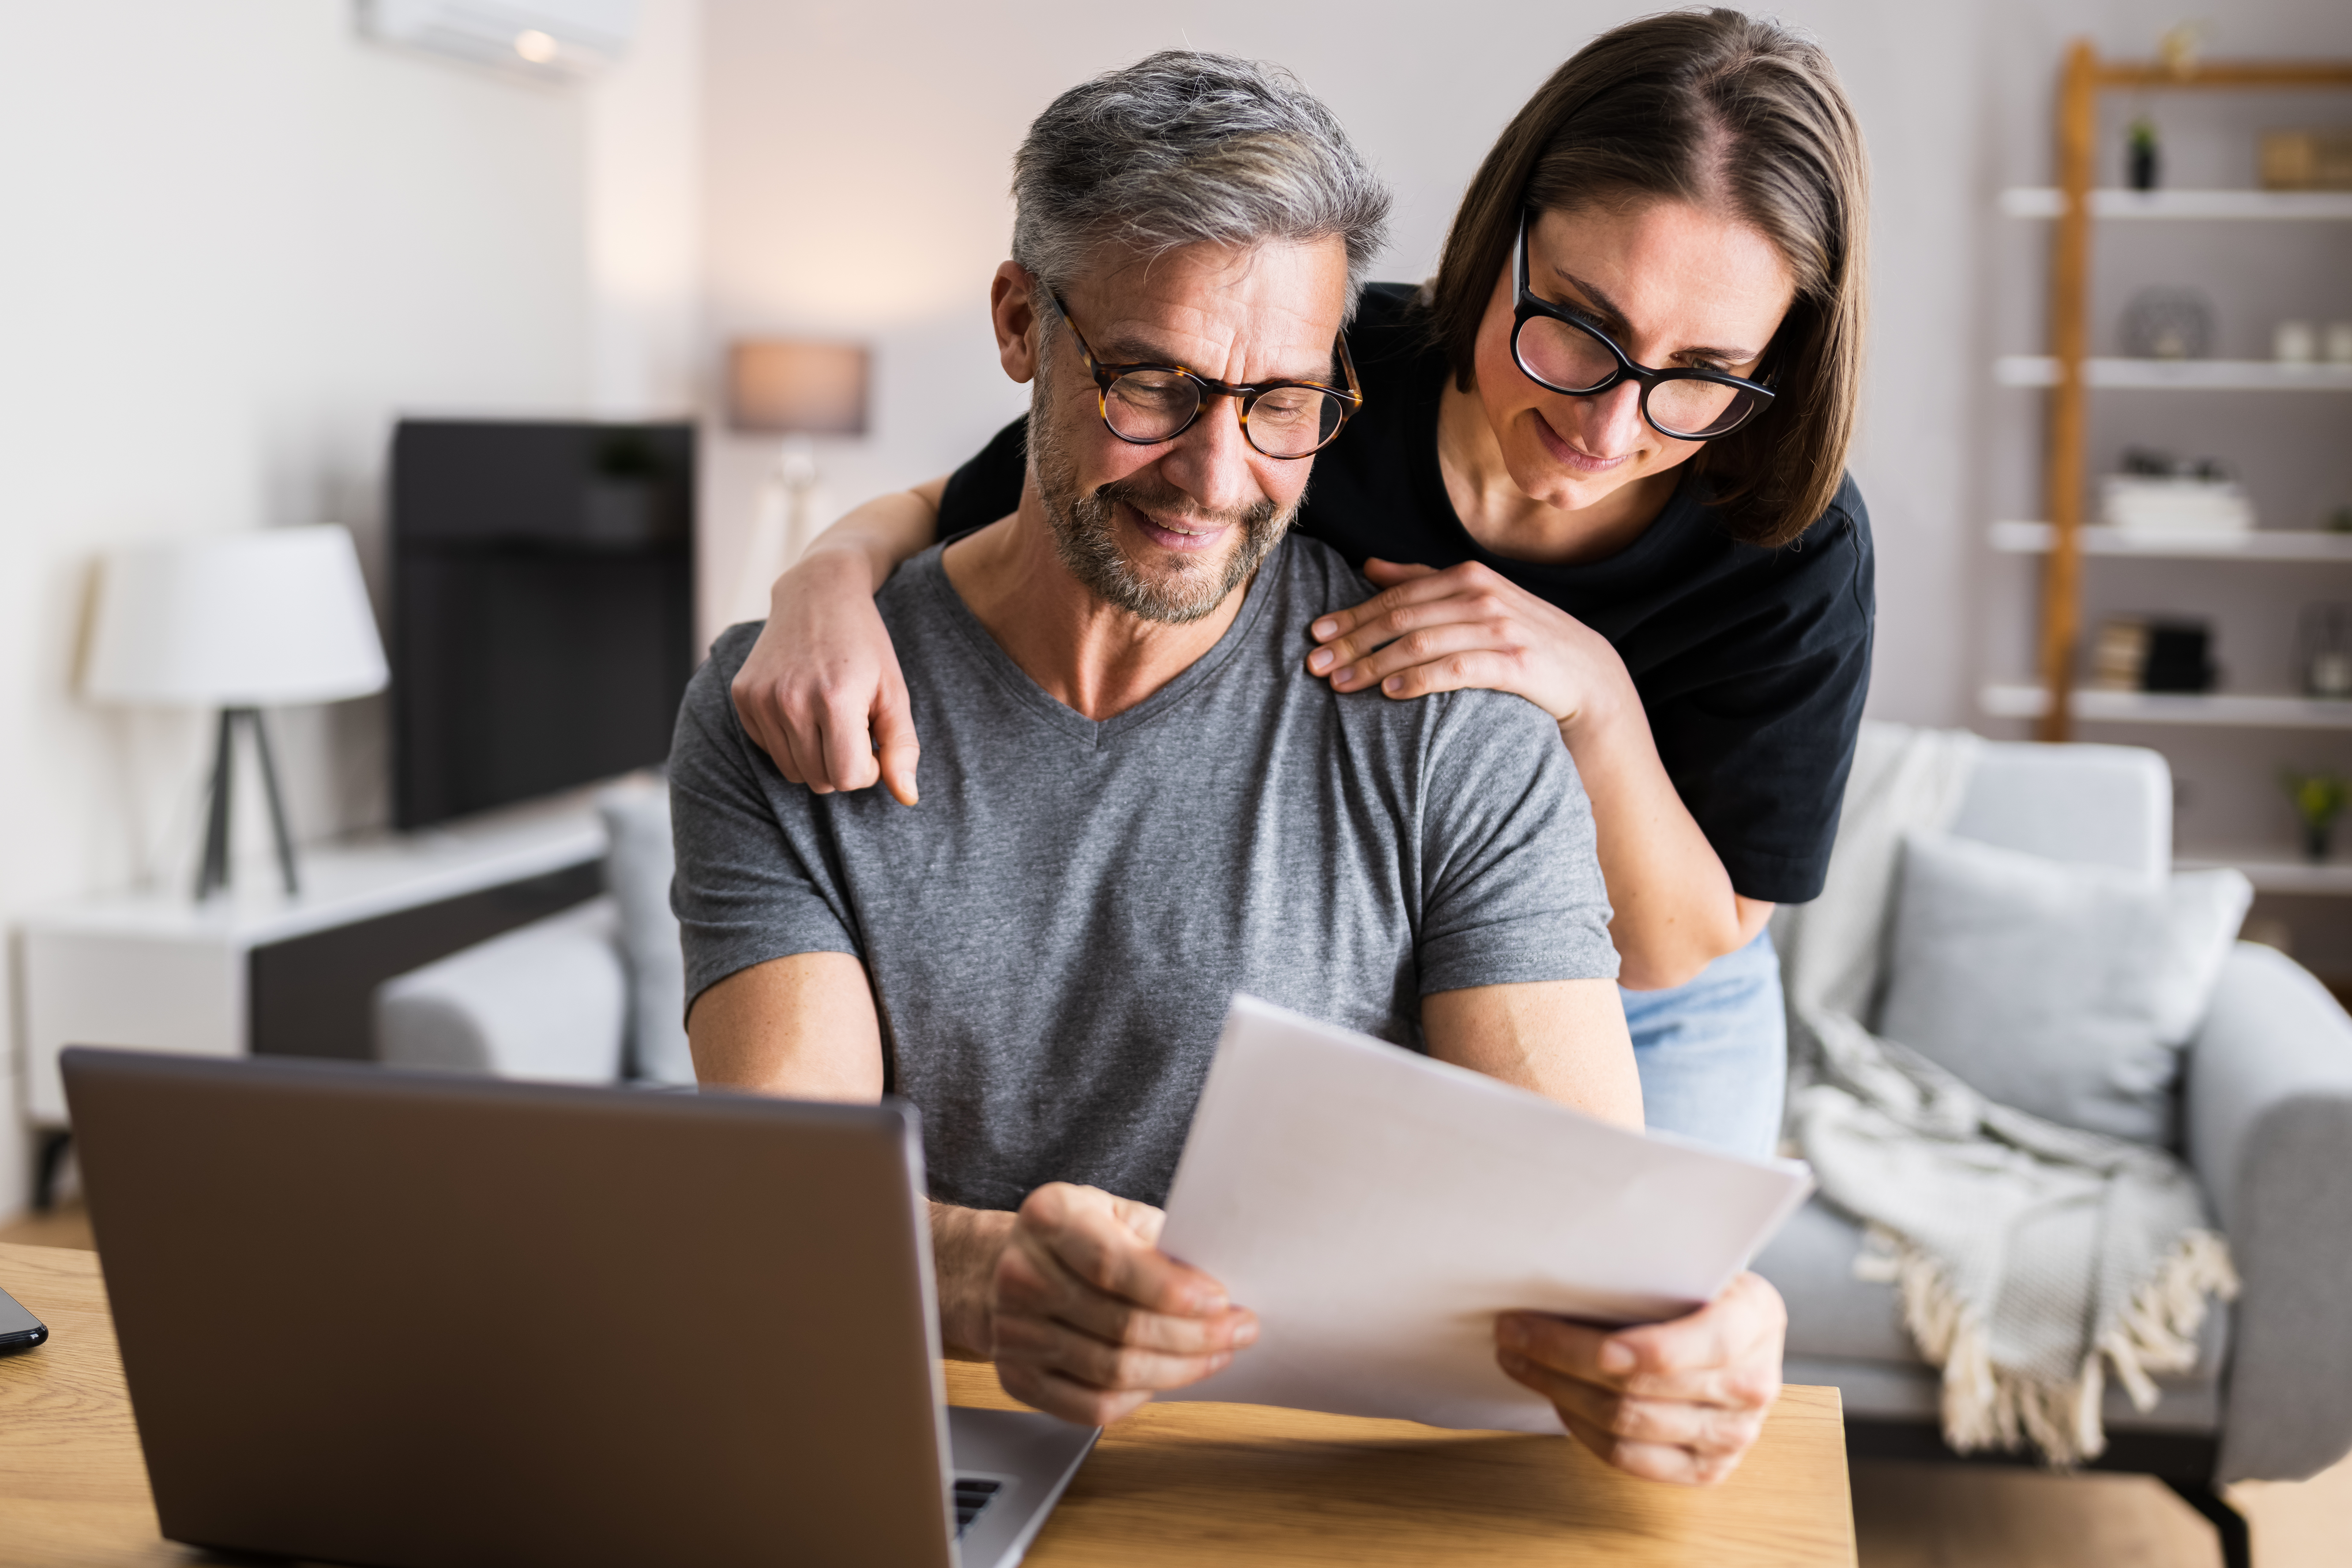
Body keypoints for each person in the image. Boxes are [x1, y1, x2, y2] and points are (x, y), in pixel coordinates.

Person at [677, 51, 1785, 1488]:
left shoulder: (1457, 723)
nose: (1214, 477)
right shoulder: (795, 707)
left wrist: (1714, 1327)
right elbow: (780, 1208)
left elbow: (1584, 1242)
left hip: (1298, 1496)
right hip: (923, 1461)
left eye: (1282, 402)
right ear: (1021, 325)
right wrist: (979, 1278)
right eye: (1154, 383)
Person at [729, 8, 1875, 1163]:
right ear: (1500, 241)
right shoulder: (1302, 370)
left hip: (1656, 995)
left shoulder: (1788, 538)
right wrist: (823, 583)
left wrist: (1593, 693)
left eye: (1705, 374)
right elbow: (973, 504)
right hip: (1417, 934)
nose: (1610, 422)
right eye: (1579, 327)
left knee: (1636, 1307)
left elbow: (1683, 944)